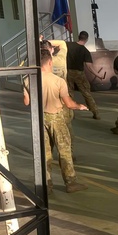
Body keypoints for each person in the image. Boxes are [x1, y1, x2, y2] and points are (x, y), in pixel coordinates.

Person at [24, 50, 88, 193]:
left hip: (40, 120)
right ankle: (71, 183)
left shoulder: (28, 79)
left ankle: (46, 186)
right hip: (56, 118)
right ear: (50, 62)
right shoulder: (58, 81)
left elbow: (27, 102)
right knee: (64, 151)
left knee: (45, 154)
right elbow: (69, 104)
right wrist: (79, 106)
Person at [64, 31, 100, 119]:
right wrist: (98, 75)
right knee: (86, 93)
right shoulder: (85, 51)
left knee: (69, 93)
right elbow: (89, 66)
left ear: (78, 37)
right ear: (86, 39)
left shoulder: (68, 45)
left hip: (68, 72)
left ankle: (71, 114)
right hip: (79, 73)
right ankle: (95, 112)